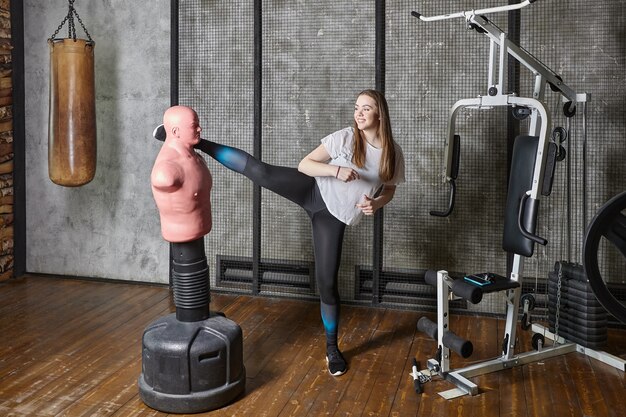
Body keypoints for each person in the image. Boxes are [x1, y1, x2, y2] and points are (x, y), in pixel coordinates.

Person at [155, 90, 405, 376]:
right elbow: (305, 165)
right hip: (313, 189)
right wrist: (335, 171)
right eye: (357, 107)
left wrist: (376, 202)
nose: (358, 113)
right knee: (260, 172)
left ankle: (332, 349)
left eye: (366, 108)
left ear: (380, 114)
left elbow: (390, 189)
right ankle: (195, 143)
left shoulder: (393, 154)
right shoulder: (347, 136)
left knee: (327, 284)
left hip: (332, 219)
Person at [151, 105, 213, 322]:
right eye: (194, 126)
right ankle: (190, 315)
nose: (199, 129)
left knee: (198, 287)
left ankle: (200, 313)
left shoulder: (195, 156)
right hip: (181, 235)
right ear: (176, 132)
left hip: (199, 232)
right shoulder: (166, 171)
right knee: (189, 287)